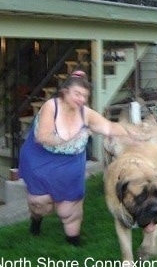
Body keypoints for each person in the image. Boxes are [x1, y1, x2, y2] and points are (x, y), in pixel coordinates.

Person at [19, 70, 140, 246]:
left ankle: (73, 241)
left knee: (69, 209)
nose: (81, 99)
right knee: (40, 203)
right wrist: (70, 137)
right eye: (77, 94)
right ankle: (36, 219)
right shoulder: (51, 107)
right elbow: (42, 136)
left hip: (70, 164)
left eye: (84, 96)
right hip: (41, 160)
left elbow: (108, 127)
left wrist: (132, 134)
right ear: (65, 92)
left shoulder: (86, 113)